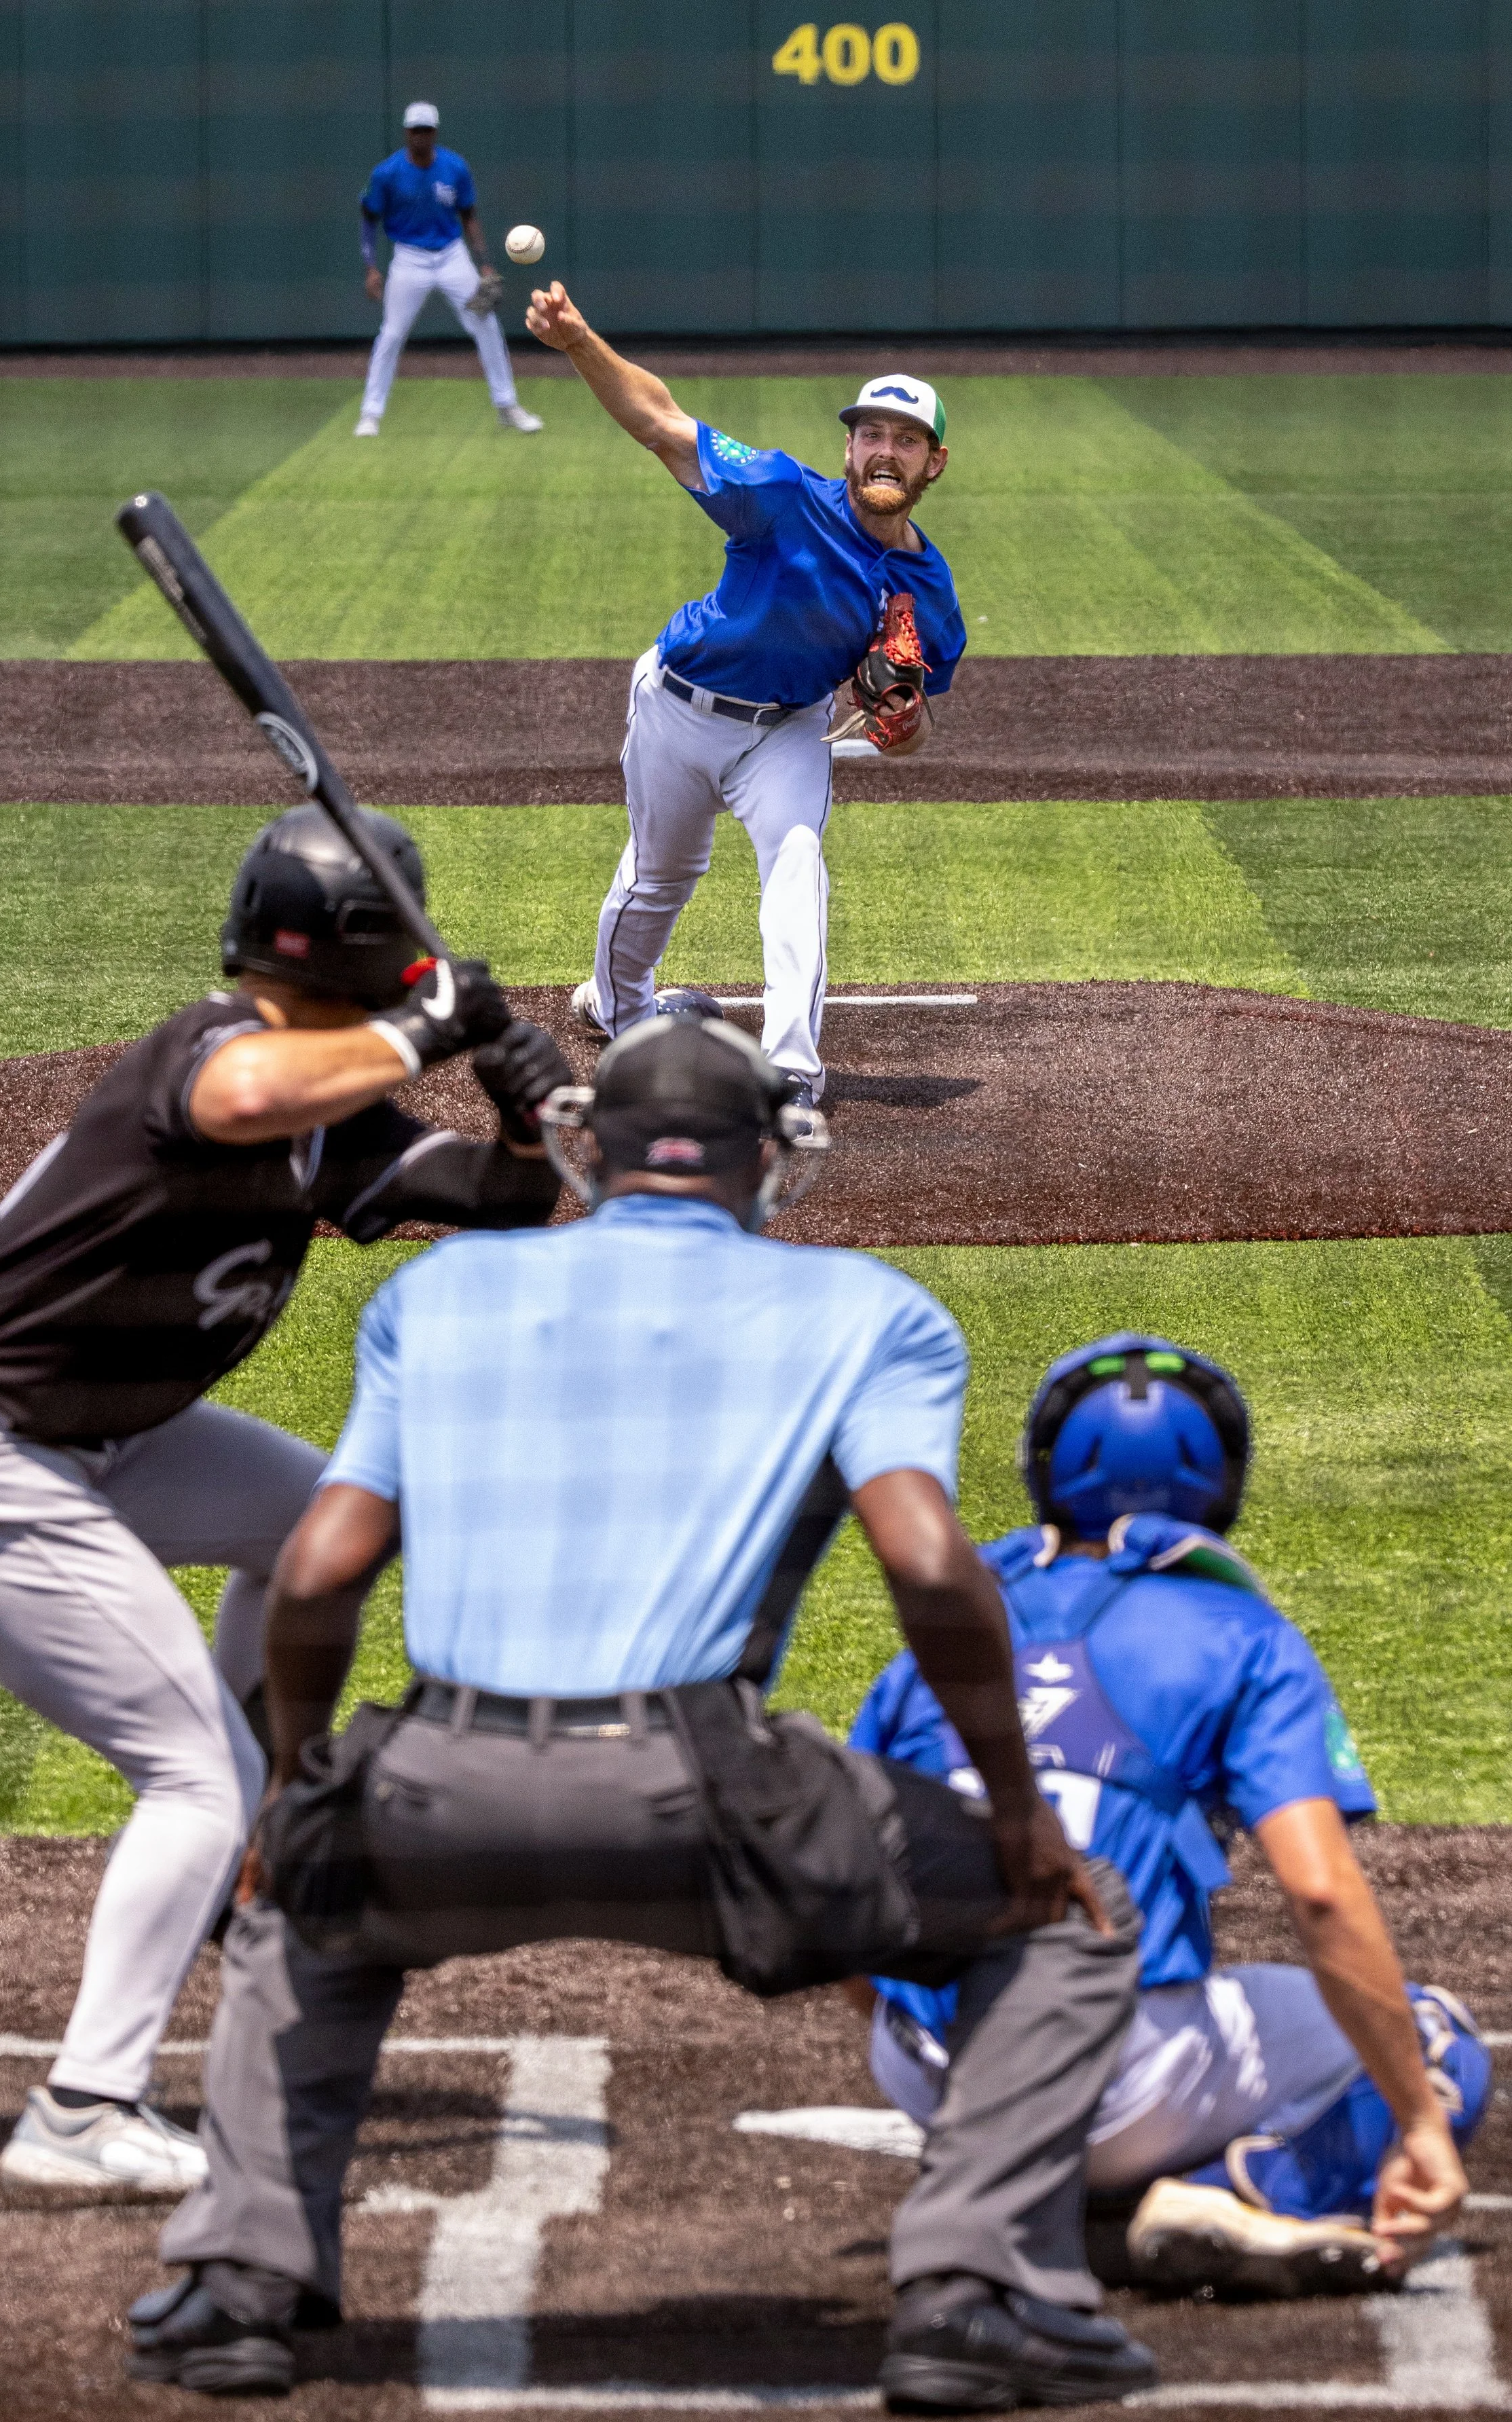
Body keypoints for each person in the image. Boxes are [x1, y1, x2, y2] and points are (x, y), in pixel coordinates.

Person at [124, 1012, 1155, 2412]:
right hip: (709, 1793)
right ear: (763, 1162)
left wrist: (299, 1789)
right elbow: (926, 1565)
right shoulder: (866, 1308)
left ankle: (238, 2286)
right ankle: (971, 2292)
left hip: (437, 1778)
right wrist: (1018, 1813)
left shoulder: (440, 1297)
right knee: (1062, 1920)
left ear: (586, 1149)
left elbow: (314, 1572)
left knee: (300, 1910)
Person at [0, 805, 566, 2199]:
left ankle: (248, 1819)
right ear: (361, 957)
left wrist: (519, 1120)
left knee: (328, 1524)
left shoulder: (324, 1107)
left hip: (94, 1437)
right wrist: (425, 1035)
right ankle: (87, 2105)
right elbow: (239, 1102)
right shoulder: (210, 1049)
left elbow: (496, 1199)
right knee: (190, 1777)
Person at [850, 1334, 1485, 2300]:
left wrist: (911, 2033)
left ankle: (1037, 2170)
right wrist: (1423, 2122)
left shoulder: (950, 1625)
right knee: (1438, 2042)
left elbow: (839, 1880)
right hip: (1125, 2080)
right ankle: (1224, 2189)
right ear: (1222, 1485)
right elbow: (1318, 1890)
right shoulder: (1241, 1632)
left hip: (933, 2072)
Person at [523, 278, 966, 1105]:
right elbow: (660, 424)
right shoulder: (782, 497)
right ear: (847, 449)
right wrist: (580, 340)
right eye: (870, 432)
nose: (883, 450)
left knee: (798, 863)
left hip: (788, 732)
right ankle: (616, 1009)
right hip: (678, 706)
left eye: (906, 440)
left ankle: (792, 1070)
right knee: (661, 877)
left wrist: (904, 724)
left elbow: (917, 720)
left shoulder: (928, 587)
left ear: (932, 463)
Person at [354, 102, 541, 438]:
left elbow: (468, 215)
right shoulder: (387, 173)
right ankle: (371, 413)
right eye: (415, 130)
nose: (421, 136)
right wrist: (371, 267)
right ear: (406, 132)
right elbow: (369, 219)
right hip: (409, 257)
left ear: (435, 132)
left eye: (426, 130)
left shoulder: (454, 167)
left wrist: (483, 261)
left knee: (486, 323)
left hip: (452, 256)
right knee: (392, 333)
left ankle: (507, 406)